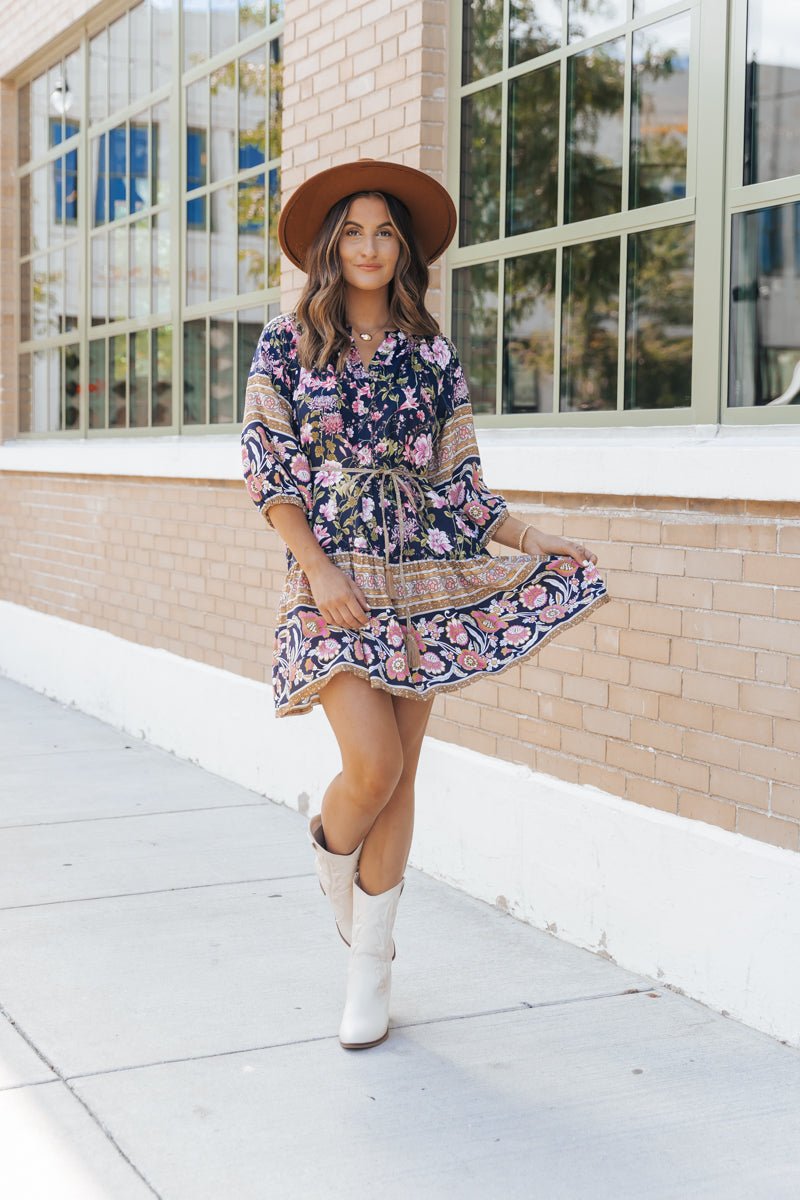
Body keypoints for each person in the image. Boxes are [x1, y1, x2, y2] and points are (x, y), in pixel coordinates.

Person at [241, 158, 609, 1051]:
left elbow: (460, 481)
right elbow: (267, 465)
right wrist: (319, 571)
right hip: (332, 579)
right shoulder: (286, 343)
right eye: (354, 231)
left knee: (404, 775)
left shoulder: (432, 352)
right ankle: (332, 850)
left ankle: (370, 970)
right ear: (331, 246)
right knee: (369, 768)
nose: (369, 246)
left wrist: (531, 541)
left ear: (402, 249)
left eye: (385, 232)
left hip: (429, 579)